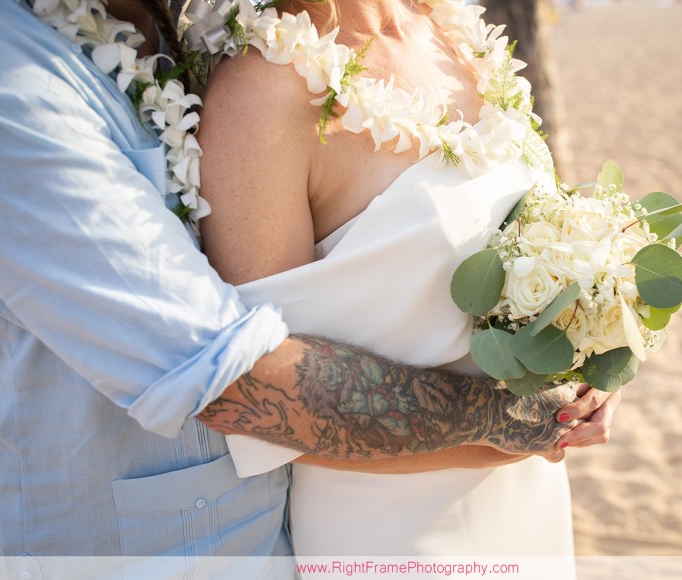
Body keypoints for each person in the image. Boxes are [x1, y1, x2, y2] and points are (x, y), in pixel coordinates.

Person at [0, 0, 615, 574]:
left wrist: (588, 338)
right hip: (157, 549)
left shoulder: (182, 25)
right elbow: (238, 381)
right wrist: (509, 419)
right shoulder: (4, 79)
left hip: (492, 502)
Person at [197, 0, 620, 562]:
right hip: (395, 533)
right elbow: (258, 397)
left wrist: (594, 348)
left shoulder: (456, 32)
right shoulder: (261, 93)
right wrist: (503, 427)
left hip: (530, 499)